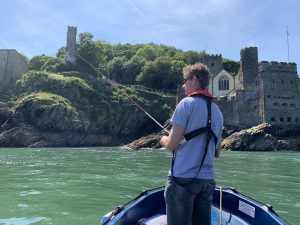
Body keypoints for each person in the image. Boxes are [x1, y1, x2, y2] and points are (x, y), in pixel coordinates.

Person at [160, 63, 223, 225]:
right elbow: (217, 152)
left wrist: (162, 139)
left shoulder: (186, 104)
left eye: (186, 80)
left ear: (194, 80)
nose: (183, 84)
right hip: (207, 182)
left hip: (182, 180)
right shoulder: (218, 112)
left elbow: (171, 145)